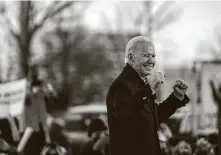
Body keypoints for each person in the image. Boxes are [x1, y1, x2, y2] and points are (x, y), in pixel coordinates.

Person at [106, 36, 190, 155]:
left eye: (153, 56)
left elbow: (155, 116)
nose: (151, 60)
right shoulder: (121, 85)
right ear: (131, 57)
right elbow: (121, 114)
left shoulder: (140, 85)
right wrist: (149, 89)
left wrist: (176, 97)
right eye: (146, 55)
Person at [23, 65, 52, 155]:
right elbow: (42, 115)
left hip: (30, 131)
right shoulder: (37, 93)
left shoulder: (32, 92)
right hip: (34, 131)